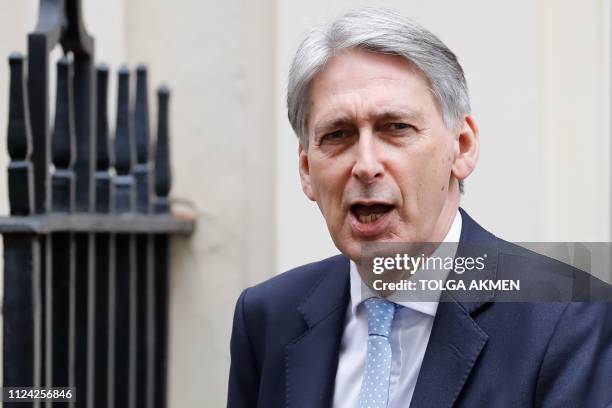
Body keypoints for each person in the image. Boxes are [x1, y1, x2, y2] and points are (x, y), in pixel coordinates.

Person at [227, 7, 612, 408]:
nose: (366, 165)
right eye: (337, 135)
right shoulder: (268, 317)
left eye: (396, 128)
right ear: (306, 169)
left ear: (461, 147)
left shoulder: (568, 318)